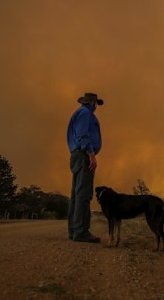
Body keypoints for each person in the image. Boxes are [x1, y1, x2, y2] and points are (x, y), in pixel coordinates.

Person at [67, 92, 103, 243]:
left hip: (77, 155)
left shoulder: (79, 113)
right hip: (83, 155)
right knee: (84, 193)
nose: (96, 107)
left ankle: (74, 231)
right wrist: (91, 154)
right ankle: (81, 231)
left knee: (77, 193)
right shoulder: (85, 114)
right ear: (92, 103)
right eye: (96, 104)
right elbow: (82, 135)